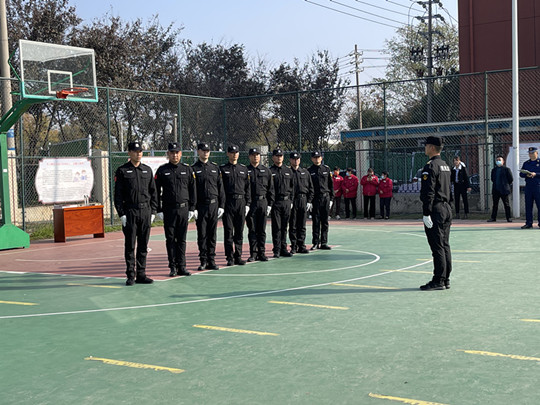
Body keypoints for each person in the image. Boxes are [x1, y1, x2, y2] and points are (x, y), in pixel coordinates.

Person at [114, 141, 158, 286]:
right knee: (130, 245)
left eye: (140, 151)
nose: (138, 154)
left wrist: (153, 211)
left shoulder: (147, 170)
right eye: (135, 151)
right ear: (129, 153)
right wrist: (121, 214)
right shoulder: (122, 171)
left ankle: (141, 274)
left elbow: (153, 192)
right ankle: (130, 275)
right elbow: (118, 195)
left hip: (145, 211)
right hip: (130, 212)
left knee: (143, 245)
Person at [155, 142, 196, 277]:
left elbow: (192, 190)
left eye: (177, 152)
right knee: (171, 239)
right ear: (168, 154)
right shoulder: (162, 170)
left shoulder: (187, 169)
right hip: (169, 210)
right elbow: (156, 191)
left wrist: (192, 208)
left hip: (184, 209)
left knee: (182, 239)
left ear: (181, 154)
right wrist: (158, 209)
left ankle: (182, 266)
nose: (174, 155)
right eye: (172, 153)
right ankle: (172, 267)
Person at [419, 136, 452, 291]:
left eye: (426, 145)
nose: (425, 147)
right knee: (445, 245)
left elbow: (429, 192)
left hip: (436, 209)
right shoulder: (445, 165)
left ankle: (438, 279)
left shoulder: (430, 166)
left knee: (437, 246)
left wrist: (426, 212)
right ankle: (445, 278)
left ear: (432, 147)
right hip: (446, 207)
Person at [192, 142, 225, 271]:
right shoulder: (193, 169)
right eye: (203, 150)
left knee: (212, 234)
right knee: (202, 234)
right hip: (201, 206)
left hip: (213, 205)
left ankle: (211, 260)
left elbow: (220, 188)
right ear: (198, 152)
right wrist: (193, 208)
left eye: (207, 151)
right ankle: (203, 260)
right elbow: (192, 190)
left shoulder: (215, 168)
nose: (205, 153)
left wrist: (221, 205)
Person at [220, 145, 251, 265]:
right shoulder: (223, 169)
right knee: (228, 231)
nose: (234, 155)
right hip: (228, 203)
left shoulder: (243, 169)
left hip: (241, 203)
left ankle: (238, 255)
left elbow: (247, 188)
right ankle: (229, 257)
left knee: (239, 231)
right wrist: (222, 205)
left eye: (236, 152)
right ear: (228, 154)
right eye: (232, 152)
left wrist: (247, 203)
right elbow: (220, 188)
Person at [246, 147, 274, 262]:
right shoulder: (245, 170)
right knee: (252, 229)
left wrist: (270, 204)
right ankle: (253, 253)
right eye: (253, 155)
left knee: (261, 230)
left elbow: (271, 189)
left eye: (257, 155)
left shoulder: (266, 171)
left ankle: (262, 252)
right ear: (249, 157)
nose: (255, 157)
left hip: (263, 202)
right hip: (251, 203)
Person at [269, 148, 295, 258]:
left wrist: (291, 201)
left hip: (286, 202)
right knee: (276, 227)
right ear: (273, 157)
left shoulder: (288, 171)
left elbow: (292, 187)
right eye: (277, 156)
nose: (279, 158)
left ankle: (283, 248)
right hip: (276, 202)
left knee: (285, 227)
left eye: (280, 156)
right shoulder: (270, 171)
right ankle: (276, 249)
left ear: (283, 157)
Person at [289, 151, 314, 254]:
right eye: (294, 159)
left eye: (297, 159)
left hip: (303, 199)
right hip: (293, 200)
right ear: (290, 160)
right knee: (293, 224)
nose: (296, 161)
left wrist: (309, 201)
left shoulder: (305, 172)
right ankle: (294, 246)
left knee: (302, 224)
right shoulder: (288, 172)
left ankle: (301, 245)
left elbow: (311, 188)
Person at [308, 151, 333, 250]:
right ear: (312, 159)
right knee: (316, 221)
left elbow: (330, 185)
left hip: (325, 197)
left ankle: (324, 242)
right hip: (315, 198)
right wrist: (309, 200)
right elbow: (309, 186)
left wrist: (331, 199)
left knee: (325, 221)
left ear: (321, 158)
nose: (317, 159)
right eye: (315, 157)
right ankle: (315, 242)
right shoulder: (309, 170)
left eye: (318, 157)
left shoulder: (326, 169)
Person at [487, 155, 513, 223]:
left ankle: (509, 217)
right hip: (496, 189)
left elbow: (510, 179)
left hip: (504, 189)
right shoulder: (494, 170)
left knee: (506, 204)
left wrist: (505, 184)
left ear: (503, 161)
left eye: (499, 160)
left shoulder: (506, 169)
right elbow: (492, 179)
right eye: (497, 160)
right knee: (495, 205)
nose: (498, 161)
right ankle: (493, 218)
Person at [519, 146, 540, 229]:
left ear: (536, 153)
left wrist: (536, 174)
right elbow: (521, 173)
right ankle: (529, 223)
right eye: (529, 153)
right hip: (528, 187)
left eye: (532, 153)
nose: (531, 154)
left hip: (538, 186)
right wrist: (526, 174)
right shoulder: (526, 163)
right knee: (528, 205)